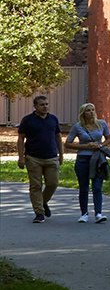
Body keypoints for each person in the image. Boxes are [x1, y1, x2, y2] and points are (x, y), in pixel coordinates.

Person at [16, 95, 64, 223]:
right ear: (35, 106)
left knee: (53, 184)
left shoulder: (53, 119)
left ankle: (43, 202)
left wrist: (61, 155)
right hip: (33, 158)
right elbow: (21, 139)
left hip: (51, 157)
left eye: (47, 104)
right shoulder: (27, 120)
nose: (45, 106)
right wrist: (21, 157)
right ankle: (39, 212)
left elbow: (58, 137)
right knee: (36, 186)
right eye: (42, 104)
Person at [67, 102, 110, 223]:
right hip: (83, 160)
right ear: (83, 113)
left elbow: (108, 138)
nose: (91, 112)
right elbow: (68, 143)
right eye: (88, 110)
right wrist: (85, 146)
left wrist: (100, 145)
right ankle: (84, 214)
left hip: (98, 159)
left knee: (97, 186)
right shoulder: (78, 127)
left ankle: (98, 213)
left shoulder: (101, 124)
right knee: (84, 187)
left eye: (92, 110)